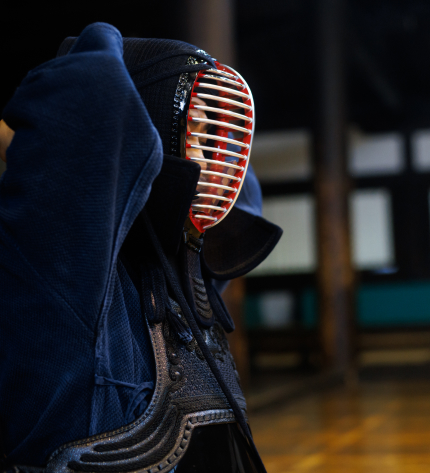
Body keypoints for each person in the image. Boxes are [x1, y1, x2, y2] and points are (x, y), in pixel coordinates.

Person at [0, 23, 281, 472]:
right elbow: (94, 88)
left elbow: (242, 198)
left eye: (218, 139)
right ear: (139, 128)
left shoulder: (186, 282)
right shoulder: (76, 280)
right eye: (195, 130)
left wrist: (196, 72)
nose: (213, 158)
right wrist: (131, 59)